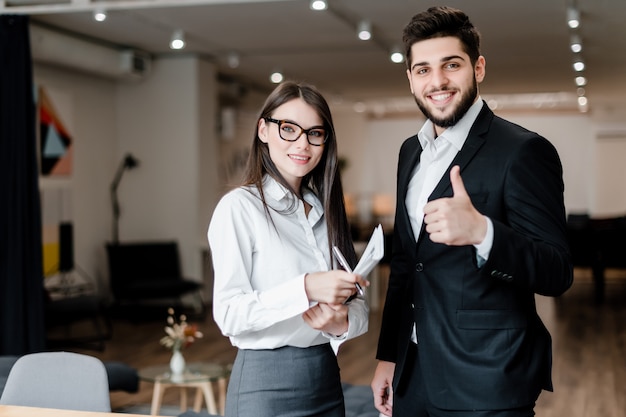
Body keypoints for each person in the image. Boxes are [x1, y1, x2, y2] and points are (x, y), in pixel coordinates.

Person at [370, 6, 573, 417]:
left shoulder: (523, 151)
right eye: (423, 69)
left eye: (451, 65)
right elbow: (406, 266)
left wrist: (484, 233)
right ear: (410, 77)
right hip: (414, 375)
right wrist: (389, 357)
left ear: (478, 68)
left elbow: (557, 271)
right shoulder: (411, 152)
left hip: (488, 378)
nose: (438, 81)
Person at [208, 80, 369, 417]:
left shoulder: (328, 213)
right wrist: (306, 287)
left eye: (314, 133)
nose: (302, 144)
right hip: (264, 384)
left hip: (325, 377)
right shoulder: (240, 207)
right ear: (263, 130)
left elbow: (358, 308)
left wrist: (341, 322)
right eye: (289, 129)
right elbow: (228, 315)